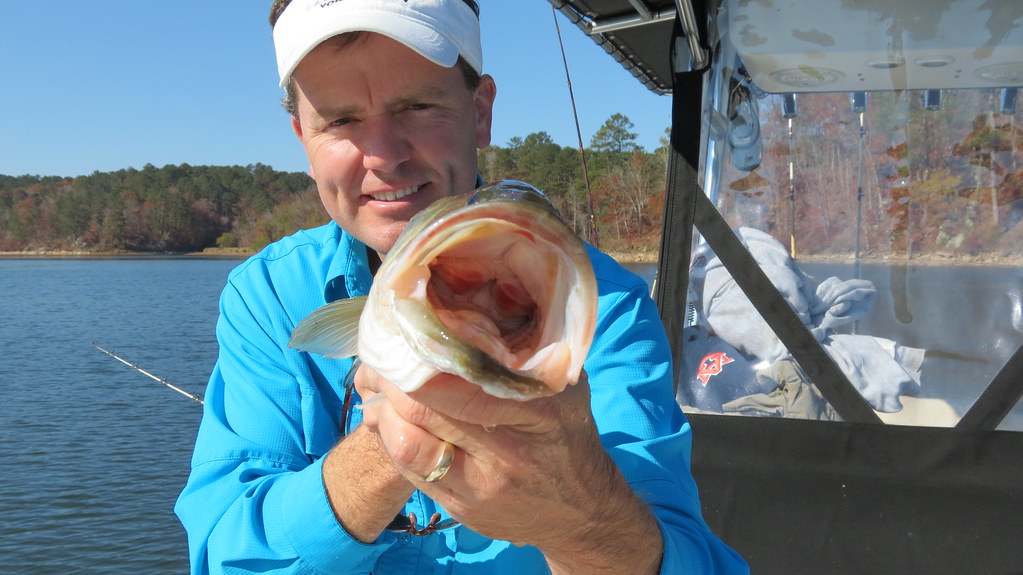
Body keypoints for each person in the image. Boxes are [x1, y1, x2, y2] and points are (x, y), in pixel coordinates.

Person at [174, 1, 749, 573]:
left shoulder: (603, 308)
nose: (384, 156)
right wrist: (382, 449)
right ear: (304, 137)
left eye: (418, 107)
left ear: (480, 112)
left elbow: (687, 553)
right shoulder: (267, 295)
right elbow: (226, 553)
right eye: (341, 120)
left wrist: (583, 519)